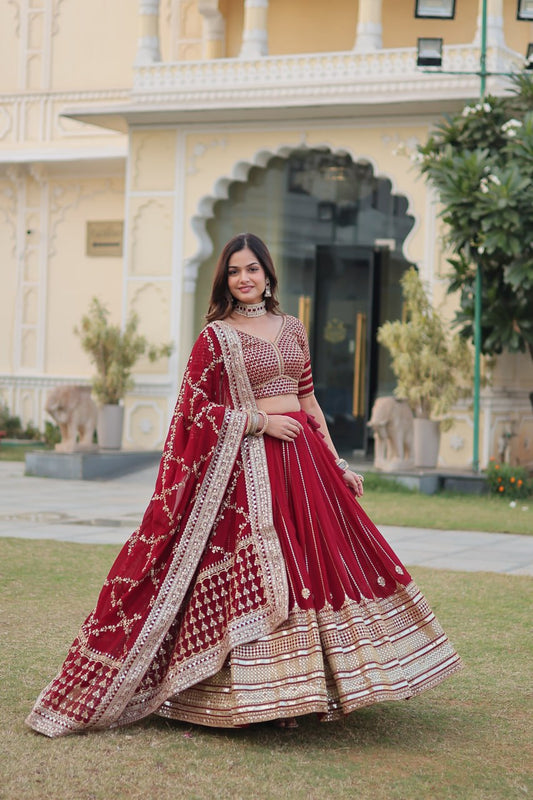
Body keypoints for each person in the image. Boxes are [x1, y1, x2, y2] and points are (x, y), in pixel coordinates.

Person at [27, 233, 462, 738]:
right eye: (234, 271)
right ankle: (264, 697)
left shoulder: (294, 328)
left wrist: (337, 461)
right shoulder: (216, 337)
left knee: (314, 569)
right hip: (250, 470)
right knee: (265, 574)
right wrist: (257, 422)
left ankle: (316, 689)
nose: (244, 278)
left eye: (252, 268)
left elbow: (310, 402)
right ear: (225, 281)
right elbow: (194, 410)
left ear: (268, 274)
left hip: (306, 464)